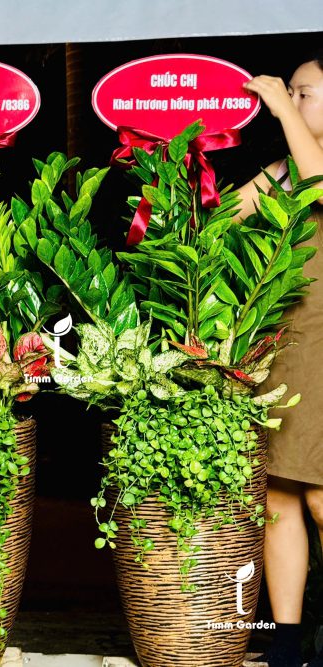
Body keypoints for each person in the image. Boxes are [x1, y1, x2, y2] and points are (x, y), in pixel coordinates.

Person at [235, 54, 323, 667]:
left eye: (304, 92)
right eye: (289, 91)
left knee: (320, 497)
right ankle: (286, 645)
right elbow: (216, 217)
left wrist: (280, 108)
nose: (290, 100)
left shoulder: (309, 170)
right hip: (283, 345)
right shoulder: (282, 171)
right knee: (279, 497)